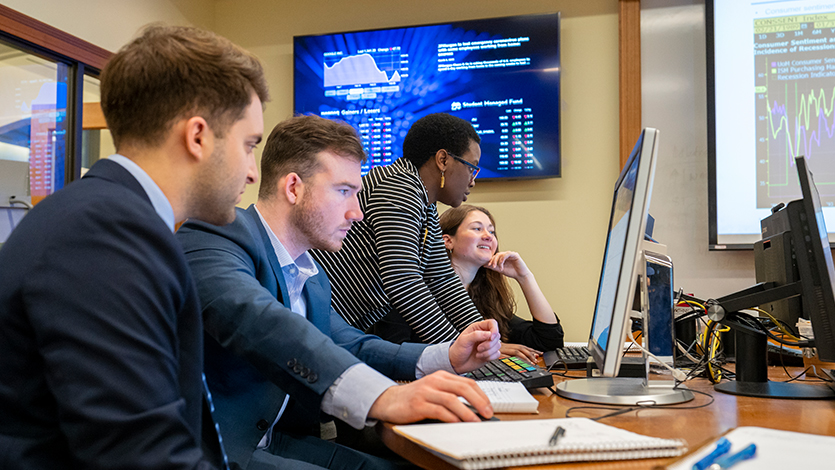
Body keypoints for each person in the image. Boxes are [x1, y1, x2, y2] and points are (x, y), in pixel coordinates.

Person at [0, 25, 273, 469]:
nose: (252, 172)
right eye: (249, 146)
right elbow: (142, 454)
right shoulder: (107, 231)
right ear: (198, 136)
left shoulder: (107, 216)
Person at [176, 114, 502, 470]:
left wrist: (446, 356)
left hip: (277, 440)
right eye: (344, 191)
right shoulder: (216, 235)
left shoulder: (312, 273)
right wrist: (384, 396)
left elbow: (349, 343)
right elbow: (260, 322)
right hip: (218, 452)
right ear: (294, 188)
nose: (357, 213)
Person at [311, 113, 484, 345]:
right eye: (471, 167)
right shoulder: (398, 186)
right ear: (443, 160)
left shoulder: (425, 204)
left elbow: (441, 279)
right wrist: (459, 348)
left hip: (335, 326)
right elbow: (403, 280)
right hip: (317, 324)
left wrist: (485, 339)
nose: (472, 180)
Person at [440, 205, 564, 363]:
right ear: (447, 241)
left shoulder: (486, 296)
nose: (488, 236)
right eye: (477, 228)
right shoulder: (421, 292)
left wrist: (525, 277)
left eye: (491, 231)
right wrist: (492, 347)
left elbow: (549, 341)